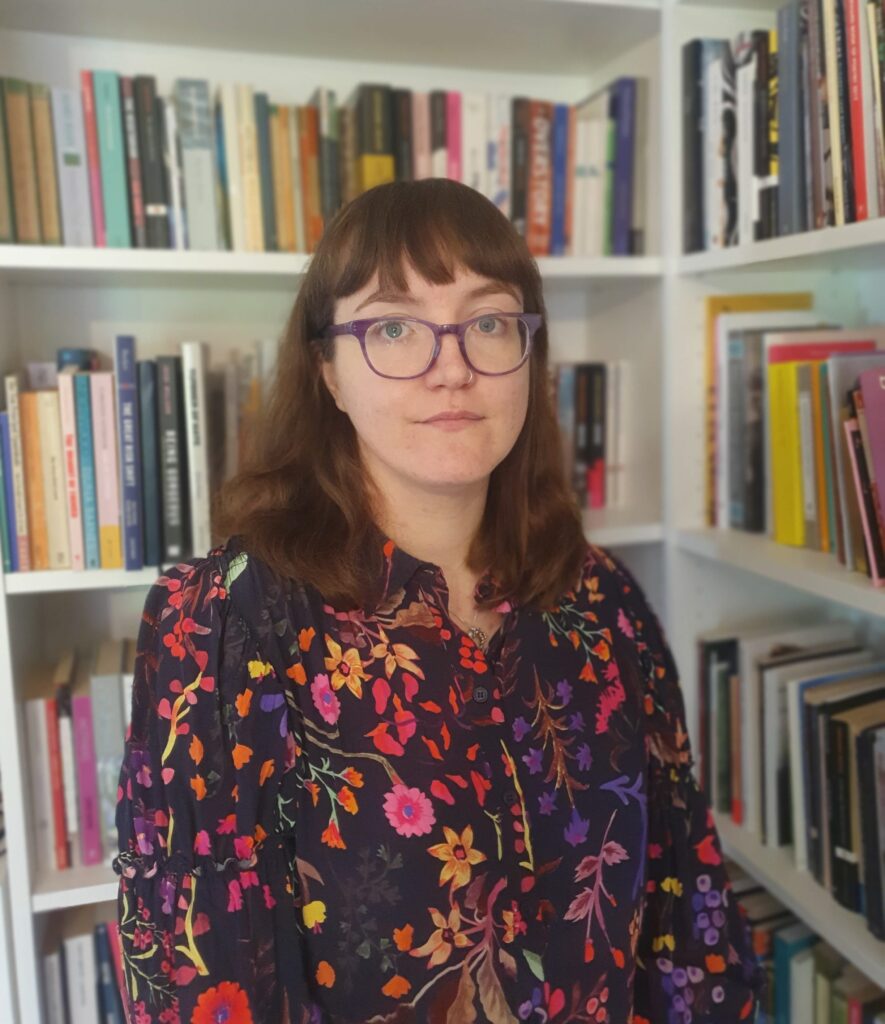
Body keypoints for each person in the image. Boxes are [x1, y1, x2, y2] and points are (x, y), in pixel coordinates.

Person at [113, 178, 765, 1024]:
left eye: (489, 322)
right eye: (393, 327)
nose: (451, 366)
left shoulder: (602, 599)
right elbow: (195, 985)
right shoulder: (223, 621)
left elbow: (687, 915)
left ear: (528, 355)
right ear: (328, 373)